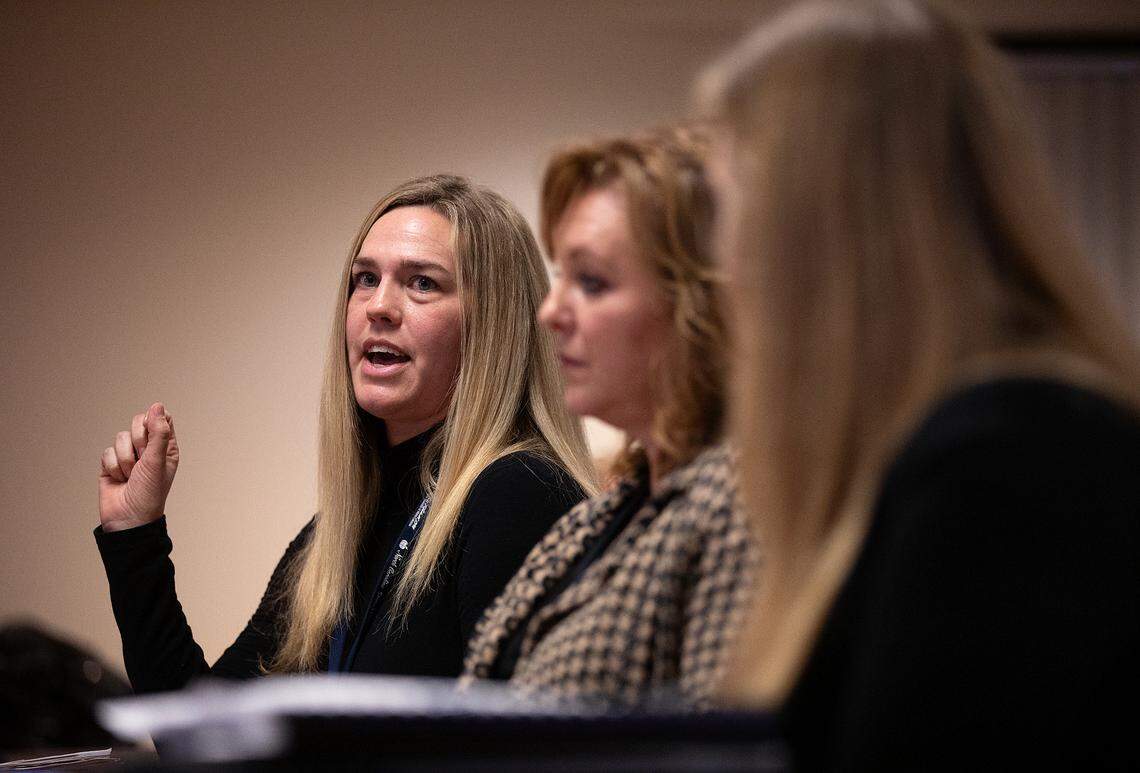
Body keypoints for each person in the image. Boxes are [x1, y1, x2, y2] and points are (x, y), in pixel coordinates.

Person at [700, 1, 1140, 769]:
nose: (726, 266)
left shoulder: (1011, 461)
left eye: (732, 213)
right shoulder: (964, 445)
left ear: (808, 227)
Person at [95, 175, 598, 692]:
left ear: (494, 325)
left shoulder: (520, 495)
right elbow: (201, 739)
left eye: (423, 282)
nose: (378, 306)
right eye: (364, 279)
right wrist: (135, 536)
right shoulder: (335, 537)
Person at [461, 128, 758, 708]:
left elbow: (716, 754)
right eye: (560, 277)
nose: (551, 312)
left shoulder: (740, 505)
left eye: (591, 282)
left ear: (697, 307)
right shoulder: (594, 521)